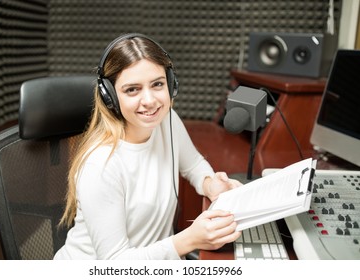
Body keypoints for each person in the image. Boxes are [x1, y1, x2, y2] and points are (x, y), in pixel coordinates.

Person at [54, 33, 242, 260]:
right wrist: (189, 239)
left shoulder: (167, 120)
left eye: (157, 84)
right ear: (110, 97)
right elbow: (115, 263)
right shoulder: (100, 165)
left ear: (171, 84)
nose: (150, 100)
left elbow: (193, 165)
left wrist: (210, 183)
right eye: (132, 89)